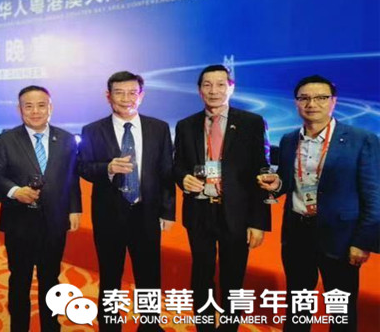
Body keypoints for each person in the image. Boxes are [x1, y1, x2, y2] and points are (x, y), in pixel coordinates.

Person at [258, 75, 380, 332]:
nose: (312, 104)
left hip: (340, 237)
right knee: (298, 303)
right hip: (297, 233)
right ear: (296, 103)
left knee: (341, 309)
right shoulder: (290, 139)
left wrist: (363, 242)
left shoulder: (361, 139)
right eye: (304, 98)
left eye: (321, 98)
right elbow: (288, 183)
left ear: (333, 102)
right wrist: (277, 185)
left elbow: (374, 195)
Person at [173, 64, 270, 332]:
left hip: (236, 214)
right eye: (207, 85)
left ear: (231, 88)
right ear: (199, 90)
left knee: (233, 277)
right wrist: (183, 178)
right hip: (199, 210)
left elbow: (262, 171)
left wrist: (259, 221)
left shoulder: (251, 123)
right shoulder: (186, 125)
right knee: (201, 274)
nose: (213, 91)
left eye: (220, 84)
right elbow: (177, 164)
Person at [78, 71, 175, 332]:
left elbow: (166, 172)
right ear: (108, 96)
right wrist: (107, 168)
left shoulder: (159, 128)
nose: (126, 98)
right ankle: (110, 325)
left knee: (149, 274)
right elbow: (83, 167)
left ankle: (150, 325)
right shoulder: (92, 130)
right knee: (110, 275)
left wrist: (168, 211)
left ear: (141, 96)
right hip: (109, 214)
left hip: (146, 212)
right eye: (119, 93)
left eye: (132, 92)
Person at [0, 85, 81, 332]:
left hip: (54, 221)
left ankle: (51, 325)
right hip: (19, 222)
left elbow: (72, 177)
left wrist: (74, 209)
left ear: (51, 107)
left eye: (41, 105)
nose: (35, 111)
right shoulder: (6, 139)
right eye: (28, 106)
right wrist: (14, 191)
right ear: (19, 109)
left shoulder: (66, 139)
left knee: (51, 278)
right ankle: (19, 326)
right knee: (20, 279)